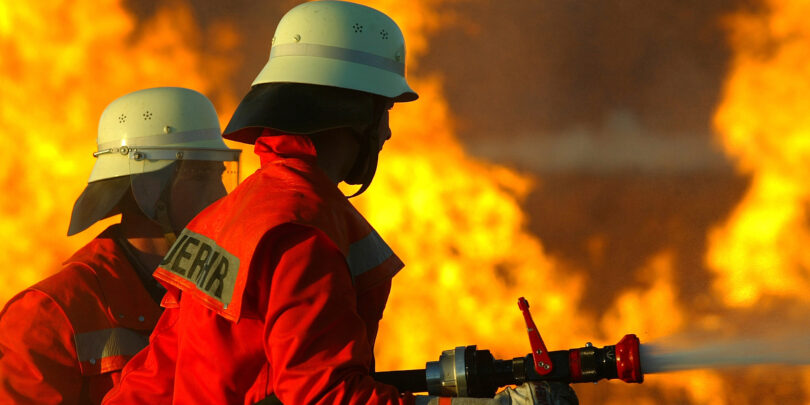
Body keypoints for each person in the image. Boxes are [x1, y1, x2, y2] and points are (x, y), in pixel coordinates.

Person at [103, 2, 578, 404]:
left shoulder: (225, 216)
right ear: (349, 112)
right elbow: (322, 394)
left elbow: (153, 377)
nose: (387, 131)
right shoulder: (301, 230)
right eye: (383, 111)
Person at [0, 87, 241, 404]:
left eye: (221, 174)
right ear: (148, 187)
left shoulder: (229, 295)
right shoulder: (48, 317)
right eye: (200, 176)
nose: (222, 197)